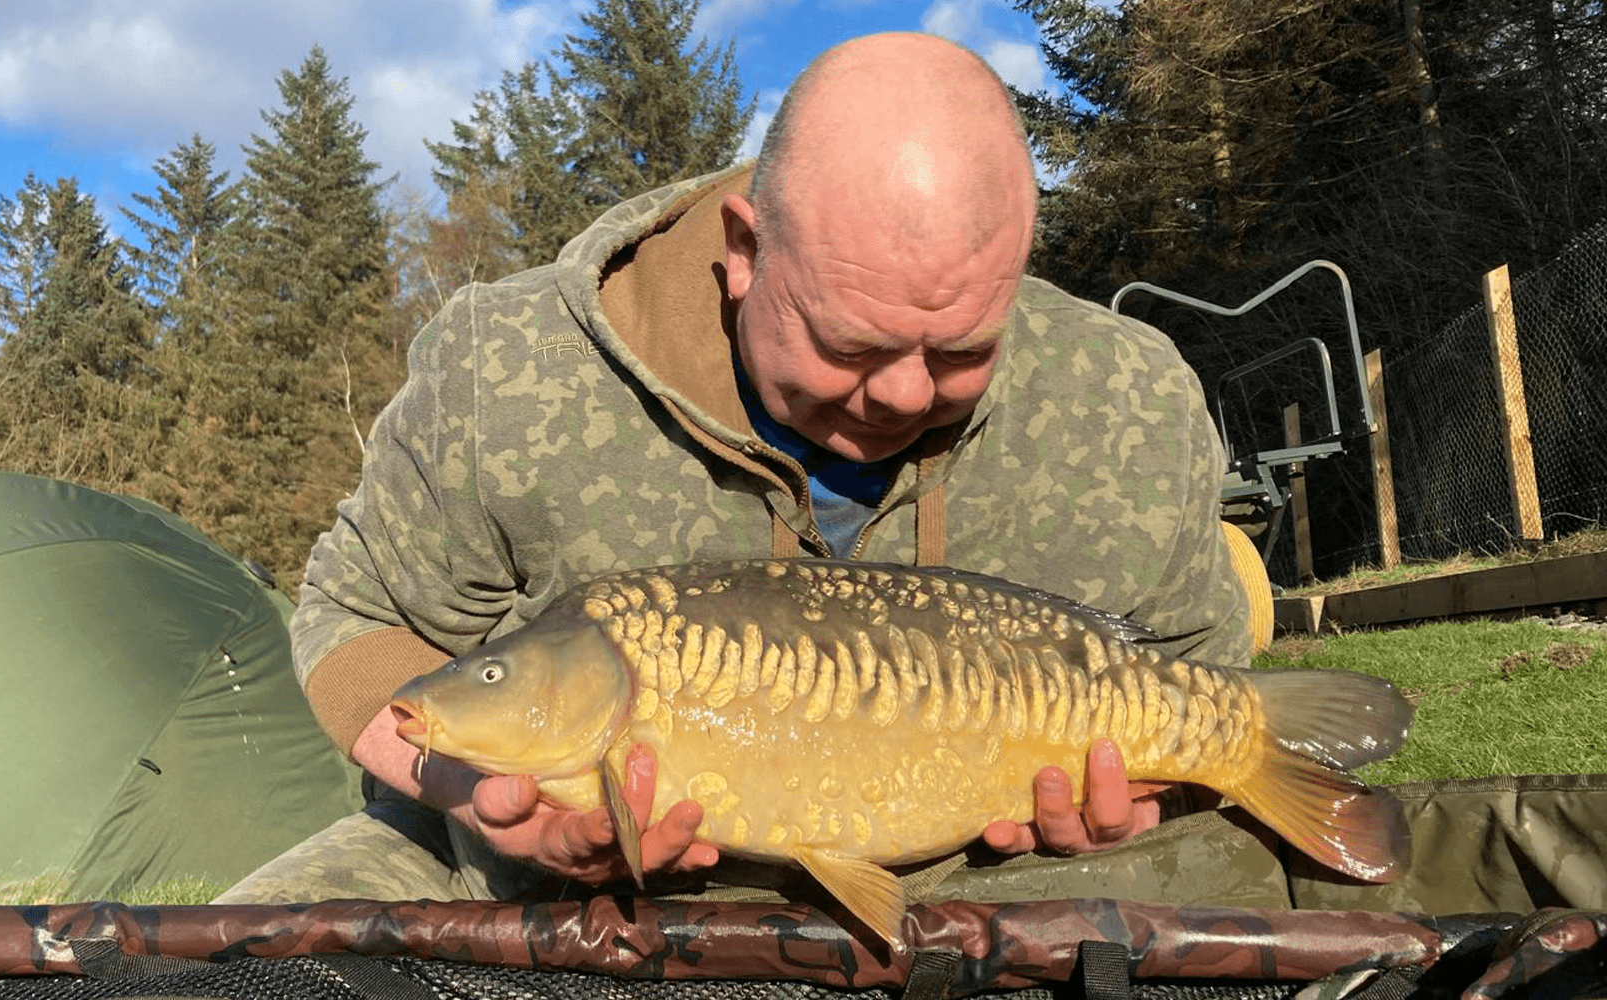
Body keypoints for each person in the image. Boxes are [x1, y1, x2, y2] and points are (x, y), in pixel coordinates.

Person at [215, 31, 1251, 905]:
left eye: (963, 349)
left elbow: (1202, 664)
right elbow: (351, 624)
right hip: (546, 897)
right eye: (851, 345)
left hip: (979, 888)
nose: (902, 393)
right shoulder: (504, 373)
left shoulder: (1130, 397)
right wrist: (484, 809)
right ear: (746, 248)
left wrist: (1145, 799)